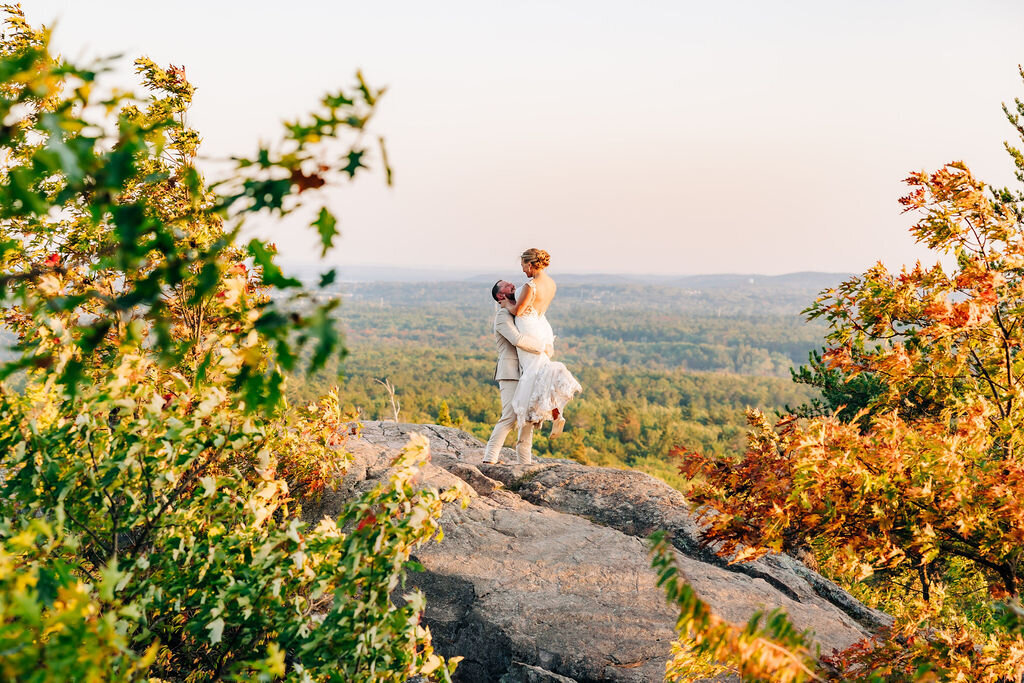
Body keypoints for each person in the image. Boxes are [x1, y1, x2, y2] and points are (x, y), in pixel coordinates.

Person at [506, 248, 581, 441]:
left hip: (529, 328)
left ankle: (533, 414)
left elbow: (519, 311)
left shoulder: (531, 285)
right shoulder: (551, 284)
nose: (523, 270)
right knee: (542, 369)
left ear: (530, 264)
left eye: (523, 265)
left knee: (533, 372)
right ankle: (555, 412)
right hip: (542, 326)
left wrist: (506, 304)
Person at [482, 280, 552, 464]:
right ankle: (489, 459)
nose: (512, 285)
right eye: (506, 285)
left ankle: (524, 461)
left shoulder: (519, 312)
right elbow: (517, 339)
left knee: (528, 416)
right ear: (500, 295)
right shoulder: (502, 316)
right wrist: (543, 347)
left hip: (528, 370)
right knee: (510, 416)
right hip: (510, 372)